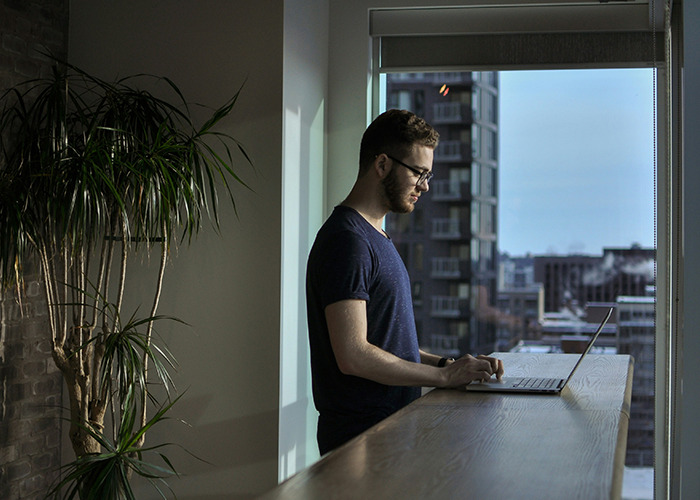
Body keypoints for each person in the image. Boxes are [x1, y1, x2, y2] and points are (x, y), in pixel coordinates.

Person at [306, 109, 504, 455]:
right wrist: (444, 379)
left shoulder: (374, 236)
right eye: (419, 173)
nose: (425, 186)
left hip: (387, 432)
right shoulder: (347, 241)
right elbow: (353, 355)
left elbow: (386, 344)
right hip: (359, 441)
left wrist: (449, 365)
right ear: (382, 164)